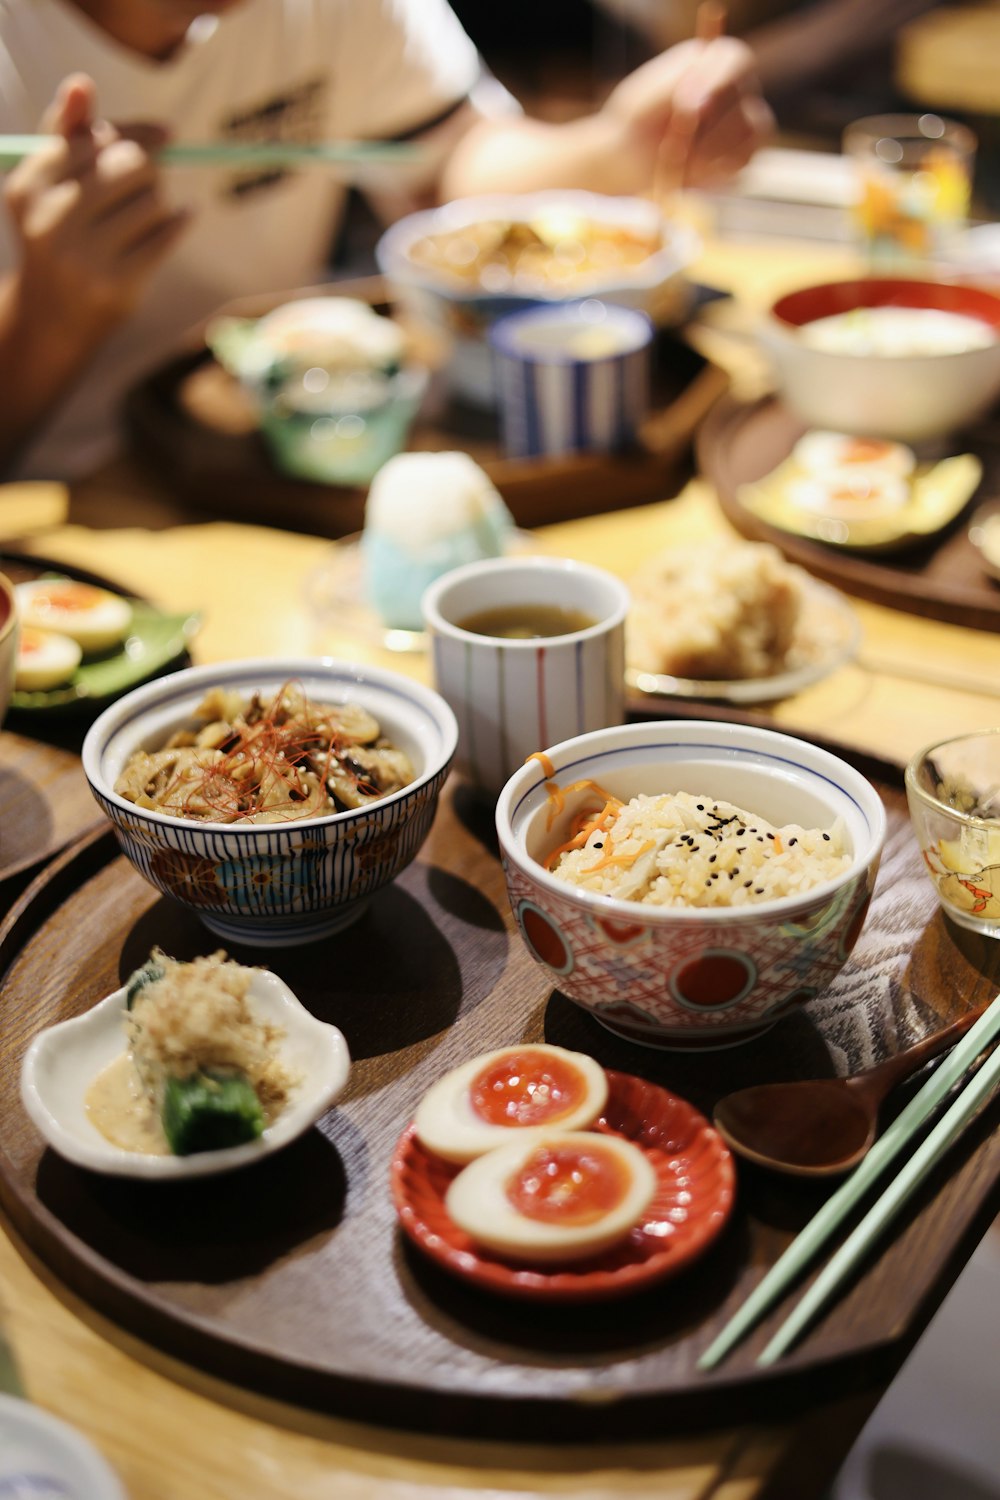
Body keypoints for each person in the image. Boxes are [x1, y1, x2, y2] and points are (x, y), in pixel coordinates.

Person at [0, 0, 772, 480]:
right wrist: (46, 315)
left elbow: (453, 164)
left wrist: (620, 147)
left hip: (277, 465)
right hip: (54, 513)